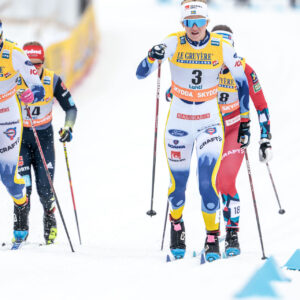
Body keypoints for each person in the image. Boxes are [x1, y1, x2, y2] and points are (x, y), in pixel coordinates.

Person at [136, 0, 250, 261]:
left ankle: (212, 237)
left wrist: (246, 122)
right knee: (178, 187)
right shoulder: (174, 42)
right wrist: (151, 56)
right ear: (183, 24)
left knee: (207, 182)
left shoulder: (221, 47)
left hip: (210, 121)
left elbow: (242, 81)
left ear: (207, 23)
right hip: (179, 122)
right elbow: (141, 73)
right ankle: (177, 226)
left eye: (199, 22)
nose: (194, 28)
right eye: (189, 23)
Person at [211, 25, 271, 256]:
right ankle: (211, 234)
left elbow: (261, 104)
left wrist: (265, 138)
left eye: (228, 48)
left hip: (235, 129)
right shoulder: (204, 66)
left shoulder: (244, 70)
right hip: (207, 128)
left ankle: (232, 233)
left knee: (224, 181)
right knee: (207, 182)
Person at [17, 41, 77, 244]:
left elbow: (71, 107)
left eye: (38, 64)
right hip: (20, 139)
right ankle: (20, 229)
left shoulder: (52, 79)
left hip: (44, 138)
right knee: (23, 187)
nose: (34, 69)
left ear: (43, 62)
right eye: (29, 64)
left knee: (45, 188)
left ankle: (49, 220)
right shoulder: (14, 79)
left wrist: (68, 127)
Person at [0, 20, 45, 244]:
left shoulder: (13, 52)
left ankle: (20, 203)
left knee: (7, 176)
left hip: (7, 115)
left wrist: (31, 94)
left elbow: (37, 85)